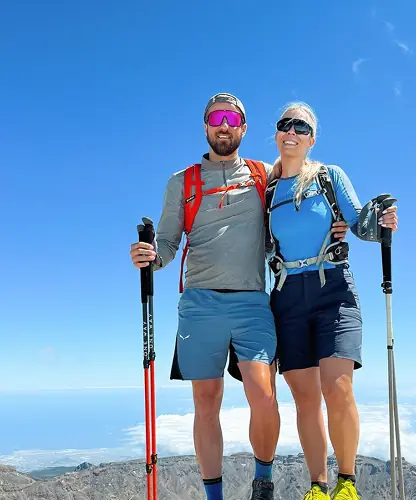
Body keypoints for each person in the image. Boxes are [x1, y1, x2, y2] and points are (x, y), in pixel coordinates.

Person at [129, 93, 282, 500]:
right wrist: (150, 257)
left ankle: (263, 481)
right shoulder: (182, 182)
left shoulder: (265, 175)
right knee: (206, 401)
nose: (224, 125)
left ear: (243, 128)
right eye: (216, 118)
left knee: (263, 393)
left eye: (232, 118)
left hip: (252, 300)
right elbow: (167, 243)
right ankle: (214, 496)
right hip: (200, 302)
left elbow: (295, 205)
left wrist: (340, 224)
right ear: (205, 127)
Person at [264, 102, 399, 500]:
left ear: (312, 139)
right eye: (285, 124)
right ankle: (318, 487)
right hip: (287, 297)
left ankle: (347, 483)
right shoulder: (267, 190)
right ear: (277, 134)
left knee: (337, 387)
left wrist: (381, 223)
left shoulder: (328, 176)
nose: (292, 131)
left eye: (301, 127)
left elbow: (360, 223)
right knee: (305, 399)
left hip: (334, 291)